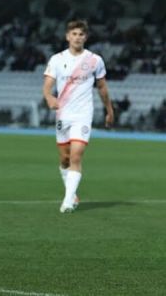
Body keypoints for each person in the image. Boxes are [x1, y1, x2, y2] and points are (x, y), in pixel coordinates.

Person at [42, 20, 114, 213]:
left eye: (81, 34)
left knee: (76, 155)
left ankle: (67, 202)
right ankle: (71, 193)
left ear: (86, 37)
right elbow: (47, 86)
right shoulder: (57, 59)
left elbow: (102, 87)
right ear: (67, 36)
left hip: (83, 114)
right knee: (65, 158)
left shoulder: (94, 60)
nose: (77, 37)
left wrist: (109, 109)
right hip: (63, 114)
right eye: (74, 34)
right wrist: (49, 98)